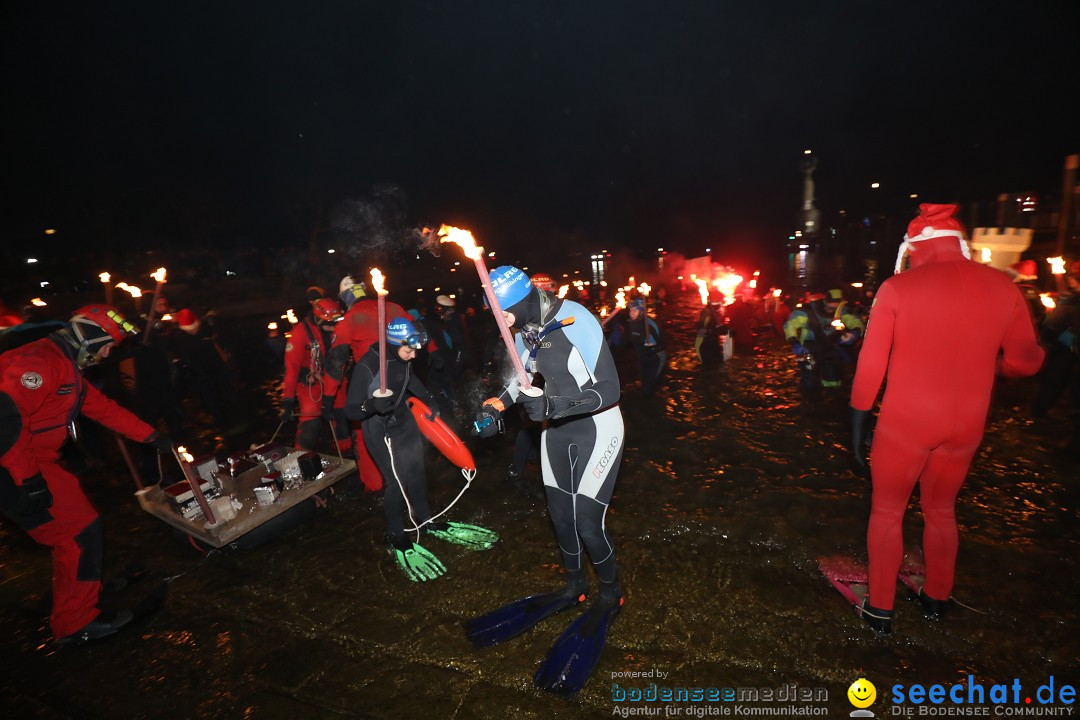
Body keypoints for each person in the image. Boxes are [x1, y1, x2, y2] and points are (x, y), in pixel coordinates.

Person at [849, 204, 1045, 634]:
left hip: (908, 422)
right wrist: (994, 367)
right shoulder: (1004, 288)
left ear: (915, 246)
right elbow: (1026, 362)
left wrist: (859, 418)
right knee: (941, 509)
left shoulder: (898, 288)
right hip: (968, 424)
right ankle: (937, 596)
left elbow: (871, 364)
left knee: (887, 511)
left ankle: (880, 608)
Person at [465, 266, 624, 697]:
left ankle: (611, 593)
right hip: (556, 432)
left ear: (521, 299)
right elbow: (522, 378)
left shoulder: (577, 318)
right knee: (559, 514)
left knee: (588, 523)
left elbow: (610, 389)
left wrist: (553, 404)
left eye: (503, 313)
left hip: (598, 427)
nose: (501, 322)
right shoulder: (523, 330)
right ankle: (575, 584)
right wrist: (497, 405)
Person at [0, 304, 173, 645]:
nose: (108, 353)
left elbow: (99, 407)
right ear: (90, 338)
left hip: (34, 462)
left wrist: (150, 435)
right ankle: (74, 622)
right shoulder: (38, 362)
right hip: (13, 466)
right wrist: (27, 479)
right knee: (76, 535)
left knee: (84, 526)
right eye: (108, 345)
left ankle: (85, 588)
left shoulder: (65, 367)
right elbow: (5, 420)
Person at [344, 317, 497, 582]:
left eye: (416, 349)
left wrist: (429, 400)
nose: (414, 355)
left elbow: (410, 379)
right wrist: (372, 406)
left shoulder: (403, 358)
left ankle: (425, 521)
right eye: (409, 350)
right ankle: (396, 537)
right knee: (395, 482)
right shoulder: (368, 366)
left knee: (416, 472)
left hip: (404, 421)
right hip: (379, 429)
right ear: (394, 343)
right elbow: (350, 409)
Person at [323, 275, 406, 493]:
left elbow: (335, 362)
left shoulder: (349, 319)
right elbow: (417, 334)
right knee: (400, 426)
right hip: (401, 377)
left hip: (372, 382)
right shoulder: (394, 307)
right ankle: (406, 473)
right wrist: (433, 351)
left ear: (345, 297)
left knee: (363, 432)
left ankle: (374, 484)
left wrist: (328, 397)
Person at [280, 298, 352, 456]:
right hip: (310, 383)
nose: (332, 327)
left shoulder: (340, 328)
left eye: (335, 322)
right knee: (310, 420)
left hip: (336, 378)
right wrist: (288, 400)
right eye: (328, 323)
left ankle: (345, 451)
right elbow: (291, 369)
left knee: (341, 415)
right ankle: (302, 455)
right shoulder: (299, 334)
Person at [1032, 260, 1080, 447]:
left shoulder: (1072, 302)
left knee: (1054, 383)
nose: (1070, 282)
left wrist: (1050, 339)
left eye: (1072, 278)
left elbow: (1052, 328)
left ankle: (1039, 415)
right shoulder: (1071, 300)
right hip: (1069, 350)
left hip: (1068, 352)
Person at [784, 288, 864, 390]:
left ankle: (831, 400)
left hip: (831, 350)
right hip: (809, 350)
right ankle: (810, 400)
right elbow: (789, 325)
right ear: (824, 301)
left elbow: (856, 323)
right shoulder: (807, 311)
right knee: (809, 382)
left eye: (835, 308)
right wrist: (794, 342)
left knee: (833, 380)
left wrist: (854, 334)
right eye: (829, 307)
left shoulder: (842, 312)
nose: (831, 311)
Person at [610, 297, 667, 394]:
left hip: (656, 359)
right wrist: (611, 355)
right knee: (644, 386)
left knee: (650, 388)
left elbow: (663, 343)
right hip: (642, 360)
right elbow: (622, 343)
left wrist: (652, 347)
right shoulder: (631, 325)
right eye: (630, 310)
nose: (631, 313)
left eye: (635, 310)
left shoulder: (650, 324)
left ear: (641, 312)